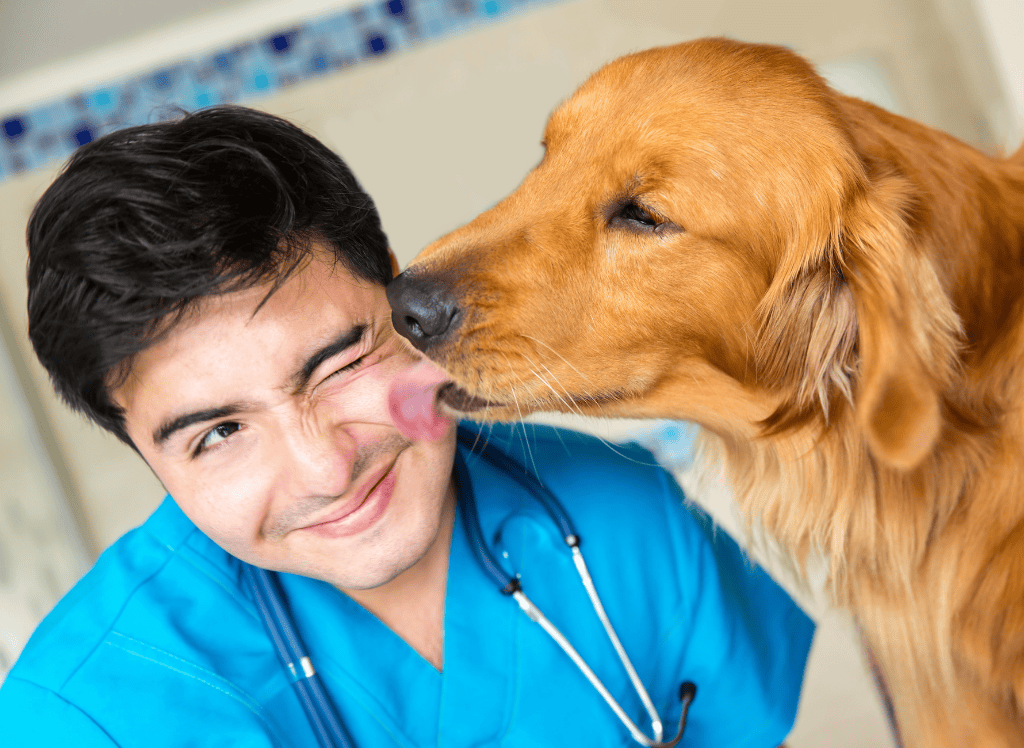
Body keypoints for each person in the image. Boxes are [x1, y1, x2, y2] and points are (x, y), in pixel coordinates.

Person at [0, 105, 814, 747]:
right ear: (139, 449)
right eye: (218, 434)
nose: (326, 467)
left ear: (400, 294)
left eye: (340, 365)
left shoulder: (624, 514)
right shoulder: (81, 716)